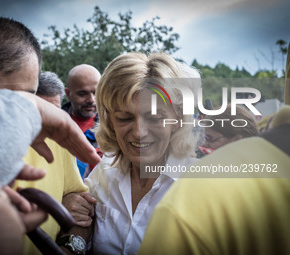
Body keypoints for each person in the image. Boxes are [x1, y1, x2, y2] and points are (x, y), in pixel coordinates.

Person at [0, 16, 100, 255]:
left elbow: (77, 196)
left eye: (26, 101)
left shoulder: (55, 135)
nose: (12, 115)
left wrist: (71, 245)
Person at [138, 45, 290, 255]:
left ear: (237, 140)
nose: (202, 145)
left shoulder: (199, 186)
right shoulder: (108, 170)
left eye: (209, 139)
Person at [58, 52, 201, 255]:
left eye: (154, 117)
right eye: (125, 118)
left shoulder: (202, 186)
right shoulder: (105, 170)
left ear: (178, 117)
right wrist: (72, 211)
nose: (139, 132)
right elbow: (82, 219)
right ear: (109, 120)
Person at [63, 64, 101, 177]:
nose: (91, 100)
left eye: (95, 92)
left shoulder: (113, 126)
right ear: (68, 94)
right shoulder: (54, 127)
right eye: (82, 94)